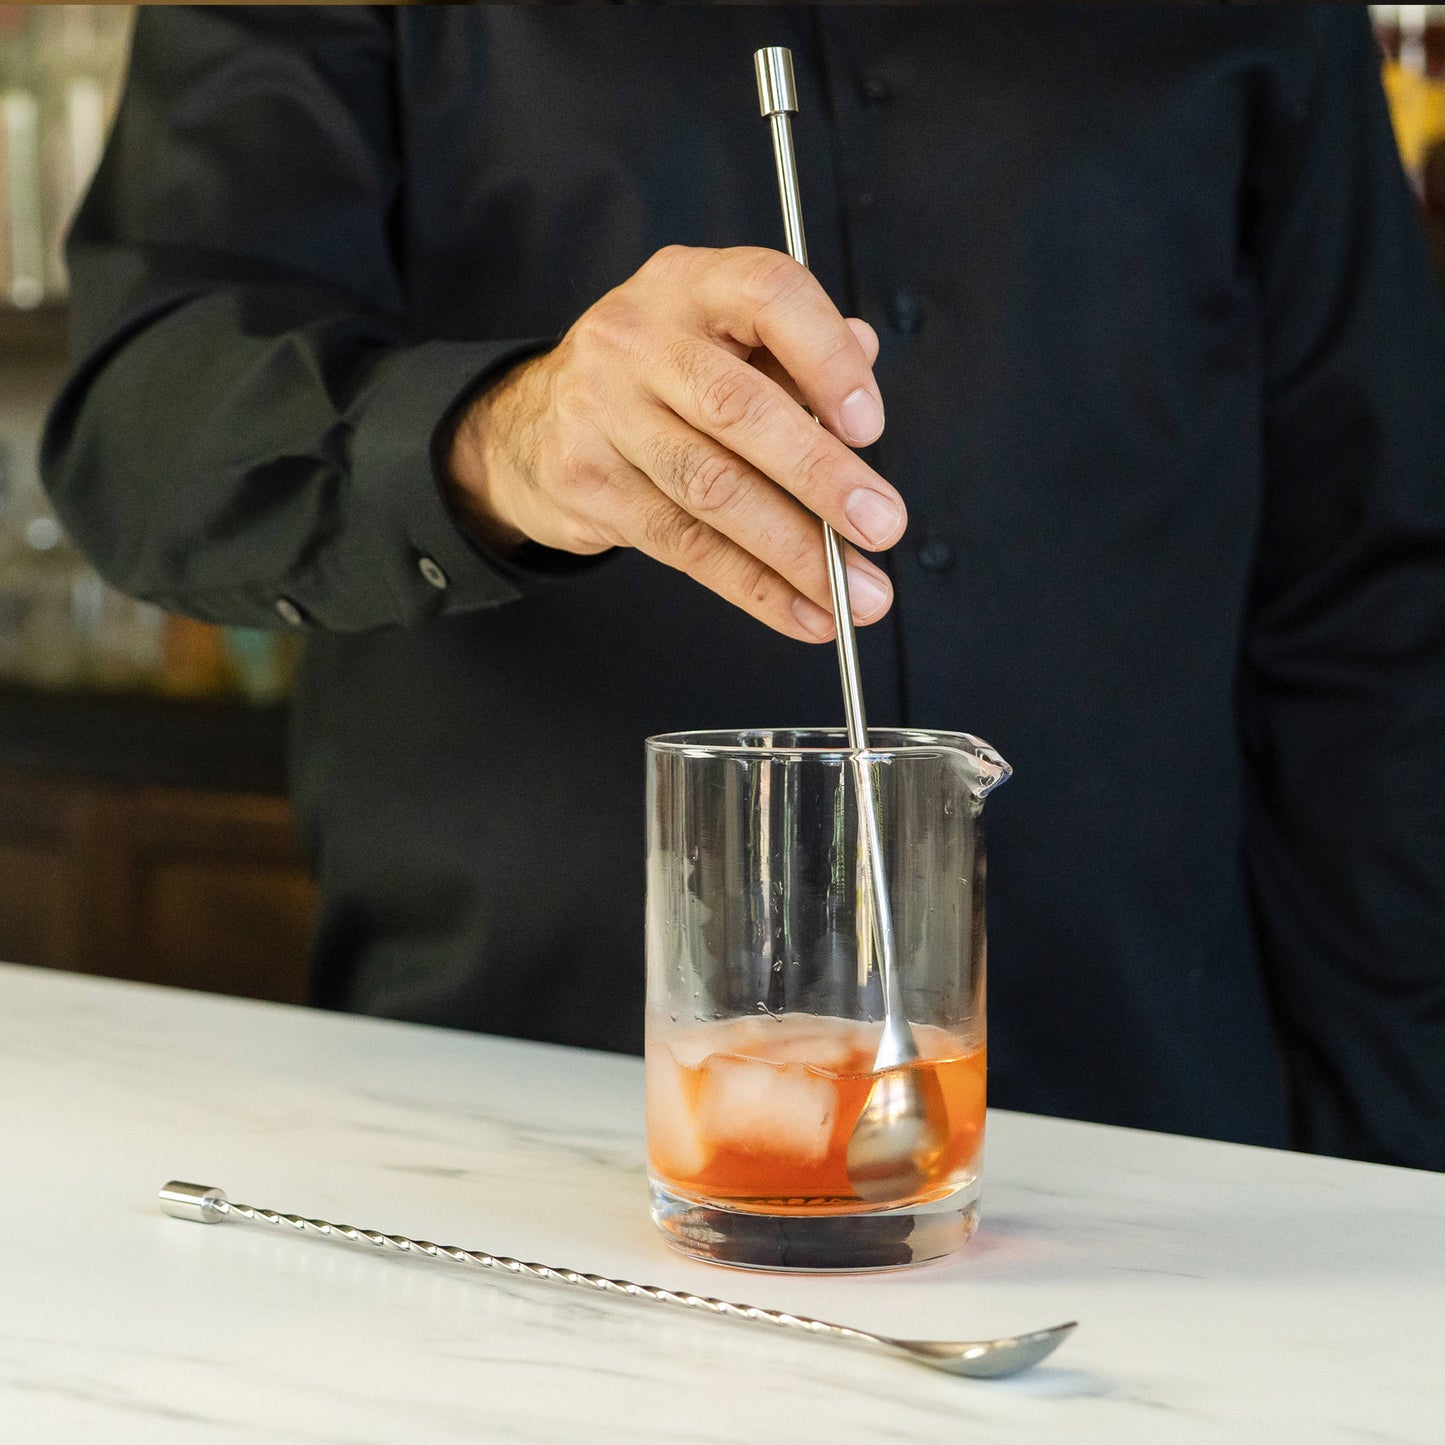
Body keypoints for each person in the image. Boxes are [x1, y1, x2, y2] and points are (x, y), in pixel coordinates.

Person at [40, 5, 1445, 1170]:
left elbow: (1374, 591)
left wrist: (1392, 1164)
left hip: (1162, 1140)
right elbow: (141, 427)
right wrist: (506, 439)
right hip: (522, 1137)